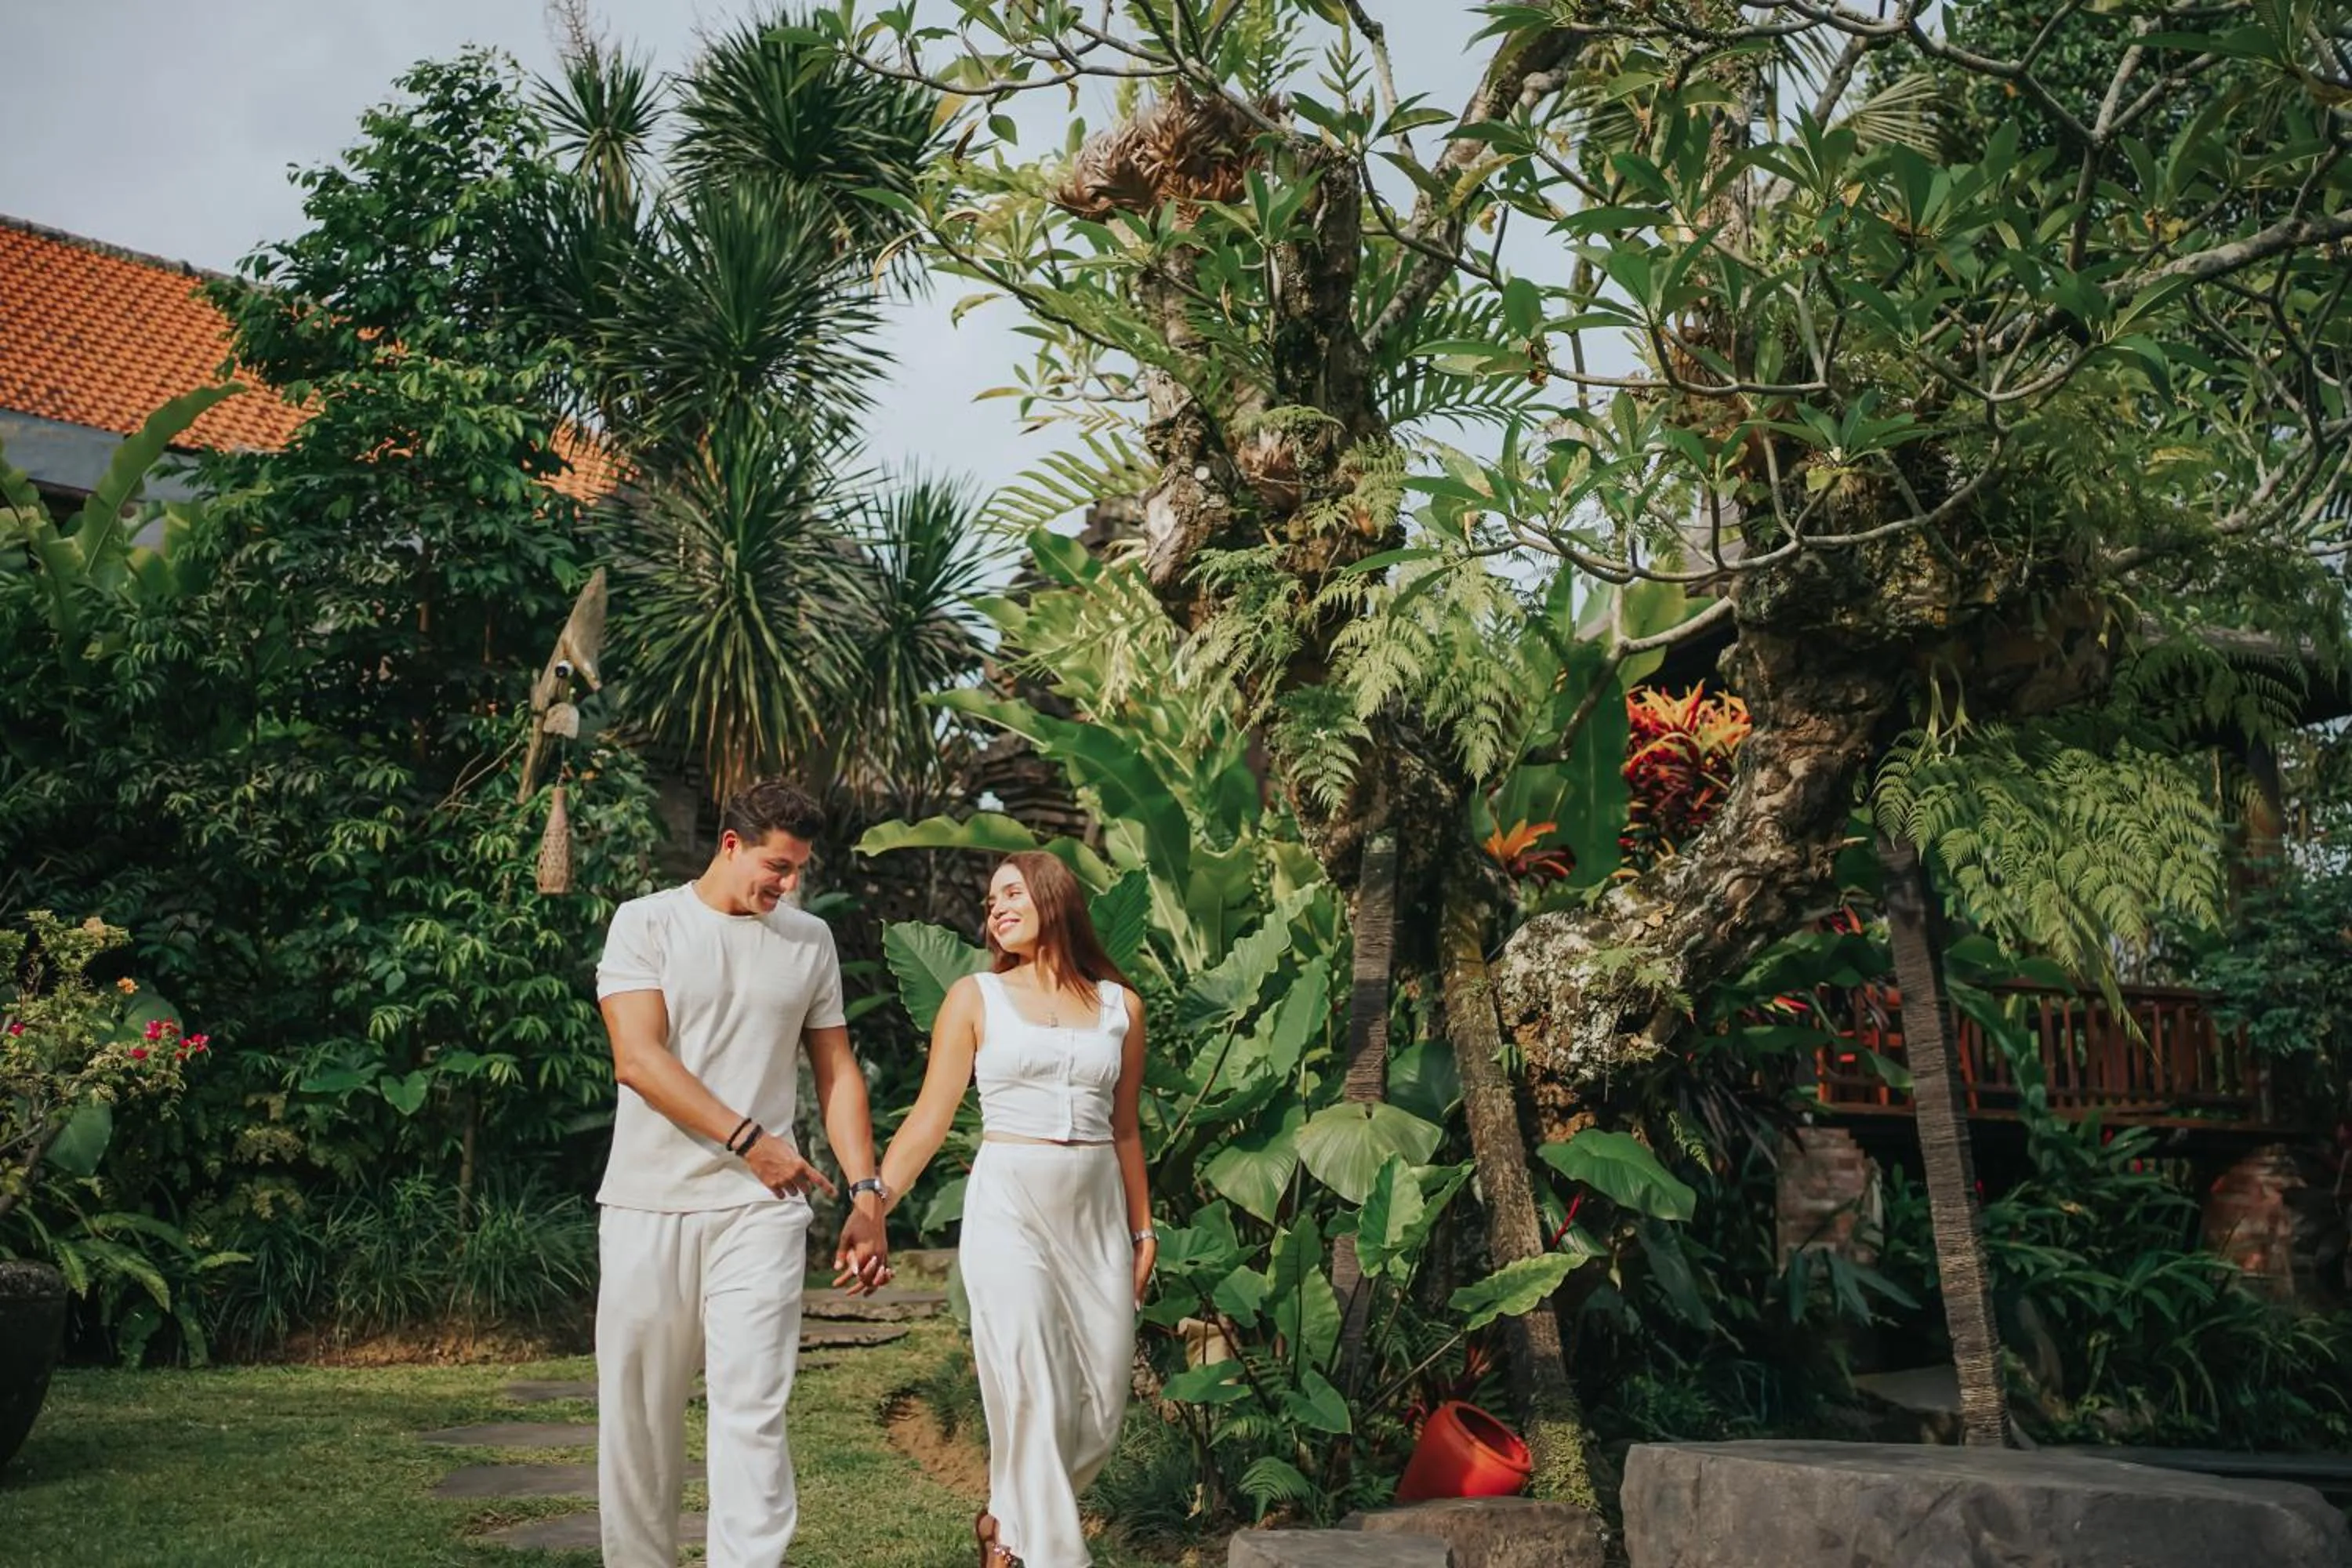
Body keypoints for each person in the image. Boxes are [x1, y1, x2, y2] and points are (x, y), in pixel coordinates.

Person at [592, 778, 891, 1568]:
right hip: (646, 1204)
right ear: (731, 844)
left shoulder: (807, 941)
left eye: (798, 870)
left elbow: (837, 1072)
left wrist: (867, 1192)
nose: (788, 884)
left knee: (753, 1408)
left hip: (760, 1211)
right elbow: (638, 1057)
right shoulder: (646, 922)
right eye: (777, 866)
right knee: (639, 1416)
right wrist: (748, 1135)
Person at [873, 849, 1155, 1568]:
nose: (995, 908)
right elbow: (931, 1117)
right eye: (990, 899)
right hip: (1009, 1207)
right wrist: (876, 1200)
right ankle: (1052, 1555)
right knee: (1032, 1384)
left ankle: (1004, 1523)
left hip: (1095, 1215)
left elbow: (1125, 1128)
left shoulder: (1122, 1009)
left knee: (1098, 1409)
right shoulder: (975, 997)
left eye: (1010, 893)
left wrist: (1142, 1224)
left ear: (1053, 898)